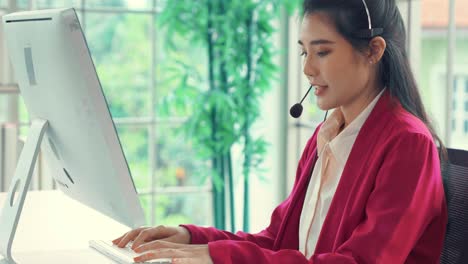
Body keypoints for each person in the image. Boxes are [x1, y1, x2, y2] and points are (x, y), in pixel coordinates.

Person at [113, 0, 447, 263]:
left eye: (322, 51)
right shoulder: (327, 136)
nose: (307, 68)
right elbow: (278, 241)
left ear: (373, 50)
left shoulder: (408, 144)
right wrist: (191, 237)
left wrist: (218, 258)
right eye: (304, 51)